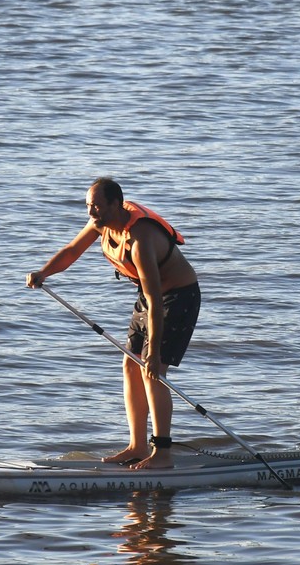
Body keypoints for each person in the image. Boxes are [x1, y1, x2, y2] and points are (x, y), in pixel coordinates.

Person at [25, 177, 201, 470]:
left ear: (116, 204)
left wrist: (156, 353)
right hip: (150, 297)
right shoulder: (100, 223)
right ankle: (137, 446)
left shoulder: (140, 239)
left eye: (96, 206)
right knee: (130, 364)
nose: (91, 212)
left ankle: (162, 453)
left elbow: (155, 299)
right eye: (88, 205)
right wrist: (44, 272)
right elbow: (72, 250)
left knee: (152, 371)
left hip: (177, 297)